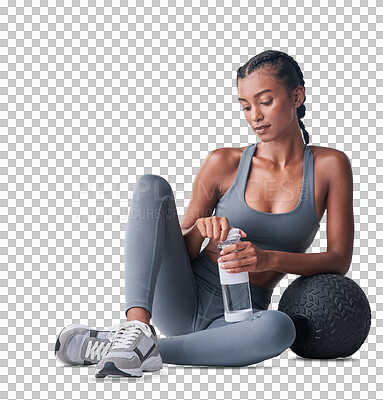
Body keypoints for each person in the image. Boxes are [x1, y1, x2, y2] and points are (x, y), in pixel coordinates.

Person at [55, 50, 354, 378]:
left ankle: (128, 348)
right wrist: (199, 230)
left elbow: (338, 258)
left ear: (297, 96)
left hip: (240, 314)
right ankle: (137, 328)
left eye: (265, 101)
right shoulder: (223, 163)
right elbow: (171, 249)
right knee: (151, 187)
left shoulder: (329, 166)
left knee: (280, 328)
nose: (255, 115)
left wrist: (267, 259)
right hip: (181, 298)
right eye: (245, 106)